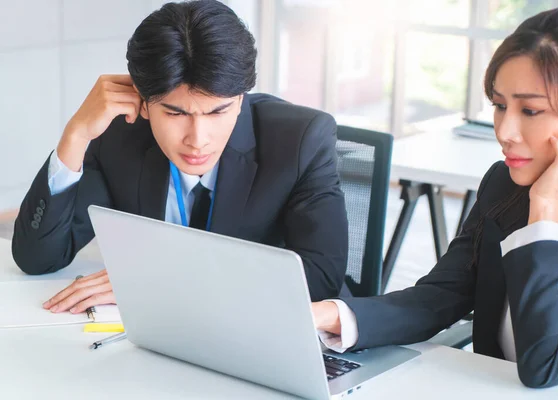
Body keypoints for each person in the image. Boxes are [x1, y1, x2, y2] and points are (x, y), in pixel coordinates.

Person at [313, 7, 558, 388]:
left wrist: (544, 210)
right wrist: (323, 315)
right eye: (499, 105)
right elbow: (441, 296)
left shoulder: (534, 195)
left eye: (530, 110)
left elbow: (546, 363)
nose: (505, 130)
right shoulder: (504, 184)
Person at [12, 1, 348, 311]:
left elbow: (319, 279)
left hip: (264, 330)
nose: (197, 140)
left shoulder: (302, 140)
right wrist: (77, 135)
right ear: (142, 103)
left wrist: (163, 282)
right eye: (175, 114)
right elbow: (37, 258)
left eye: (218, 112)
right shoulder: (121, 133)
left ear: (241, 98)